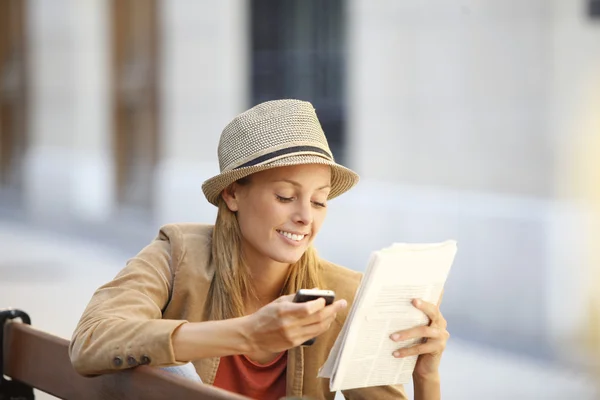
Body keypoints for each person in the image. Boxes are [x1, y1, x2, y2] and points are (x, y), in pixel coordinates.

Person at [69, 99, 450, 400]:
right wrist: (247, 334)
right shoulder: (176, 255)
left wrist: (426, 375)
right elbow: (91, 341)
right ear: (232, 194)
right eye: (285, 196)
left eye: (319, 202)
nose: (305, 217)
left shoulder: (344, 296)